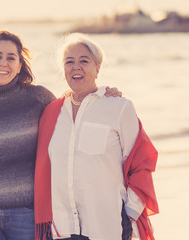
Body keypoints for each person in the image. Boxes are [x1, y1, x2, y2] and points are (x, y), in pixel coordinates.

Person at [0, 30, 122, 240]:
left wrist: (102, 95)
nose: (3, 63)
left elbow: (73, 110)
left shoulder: (38, 98)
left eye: (11, 58)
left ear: (20, 66)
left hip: (29, 213)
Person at [34, 33, 159, 240]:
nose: (76, 67)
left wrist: (130, 214)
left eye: (84, 60)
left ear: (97, 68)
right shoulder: (50, 113)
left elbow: (141, 163)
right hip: (61, 227)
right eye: (69, 62)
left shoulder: (118, 107)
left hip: (106, 225)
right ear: (63, 69)